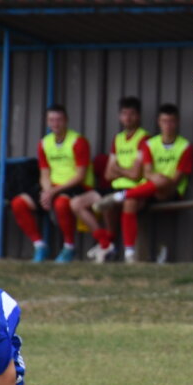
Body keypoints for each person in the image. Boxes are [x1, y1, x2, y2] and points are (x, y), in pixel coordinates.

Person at [92, 103, 193, 263]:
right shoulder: (151, 143)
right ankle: (129, 254)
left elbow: (175, 180)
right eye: (164, 121)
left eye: (171, 121)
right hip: (147, 190)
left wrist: (159, 178)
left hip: (171, 192)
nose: (168, 125)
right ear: (158, 122)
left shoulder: (185, 146)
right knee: (131, 202)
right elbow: (146, 172)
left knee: (161, 181)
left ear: (177, 122)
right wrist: (156, 178)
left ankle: (121, 196)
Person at [10, 104, 93, 263]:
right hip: (52, 187)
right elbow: (44, 173)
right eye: (52, 120)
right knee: (18, 203)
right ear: (47, 122)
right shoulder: (44, 143)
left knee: (62, 204)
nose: (55, 123)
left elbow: (80, 175)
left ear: (66, 121)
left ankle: (69, 247)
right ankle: (39, 245)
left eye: (59, 120)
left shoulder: (78, 141)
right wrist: (47, 192)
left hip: (74, 186)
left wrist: (53, 193)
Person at [71, 96, 149, 263]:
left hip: (134, 190)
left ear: (138, 116)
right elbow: (108, 174)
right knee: (76, 203)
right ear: (119, 116)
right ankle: (105, 243)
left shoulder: (144, 138)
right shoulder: (118, 138)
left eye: (132, 114)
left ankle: (128, 254)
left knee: (116, 203)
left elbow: (136, 175)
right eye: (124, 114)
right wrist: (124, 170)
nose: (127, 118)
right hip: (114, 188)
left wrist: (118, 169)